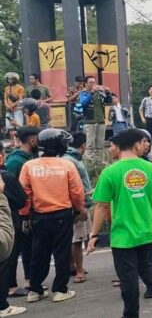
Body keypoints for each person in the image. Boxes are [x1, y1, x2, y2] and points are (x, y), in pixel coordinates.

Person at [86, 129, 152, 318]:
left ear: (119, 146)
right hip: (146, 232)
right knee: (146, 267)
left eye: (111, 146)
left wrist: (94, 235)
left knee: (128, 278)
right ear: (137, 145)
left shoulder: (110, 172)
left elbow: (102, 207)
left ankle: (131, 315)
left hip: (123, 237)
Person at [19, 128, 85, 304]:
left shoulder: (29, 166)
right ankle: (60, 290)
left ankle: (35, 290)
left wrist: (25, 215)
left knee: (38, 253)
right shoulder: (66, 165)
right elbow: (77, 193)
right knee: (61, 253)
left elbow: (24, 194)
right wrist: (79, 210)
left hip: (39, 216)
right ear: (58, 146)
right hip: (63, 214)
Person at [3, 128, 38, 292]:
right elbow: (9, 187)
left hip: (28, 210)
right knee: (14, 249)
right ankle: (10, 286)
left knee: (28, 248)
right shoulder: (16, 161)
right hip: (16, 212)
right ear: (32, 140)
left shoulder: (30, 158)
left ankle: (29, 279)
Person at [0, 150, 29, 316]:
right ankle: (3, 305)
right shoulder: (6, 177)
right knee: (5, 262)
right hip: (7, 225)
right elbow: (21, 200)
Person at [62, 132, 93, 284]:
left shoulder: (69, 158)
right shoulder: (71, 160)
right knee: (78, 239)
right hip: (78, 204)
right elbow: (74, 186)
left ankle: (72, 266)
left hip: (77, 202)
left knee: (74, 237)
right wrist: (80, 205)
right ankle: (79, 270)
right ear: (83, 146)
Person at [79, 76, 113, 163]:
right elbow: (84, 103)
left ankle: (99, 162)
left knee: (100, 144)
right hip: (90, 121)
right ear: (86, 83)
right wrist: (91, 93)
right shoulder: (83, 93)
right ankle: (90, 163)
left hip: (101, 120)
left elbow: (108, 101)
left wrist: (108, 93)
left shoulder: (99, 93)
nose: (93, 84)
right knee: (90, 144)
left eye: (94, 82)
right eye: (90, 82)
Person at [4, 73, 25, 138]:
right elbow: (5, 98)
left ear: (15, 79)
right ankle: (12, 141)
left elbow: (21, 98)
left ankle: (19, 141)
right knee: (9, 126)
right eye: (8, 79)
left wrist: (13, 104)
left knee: (19, 125)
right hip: (9, 110)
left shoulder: (20, 87)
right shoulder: (7, 88)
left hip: (17, 109)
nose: (9, 80)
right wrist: (7, 105)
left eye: (11, 79)